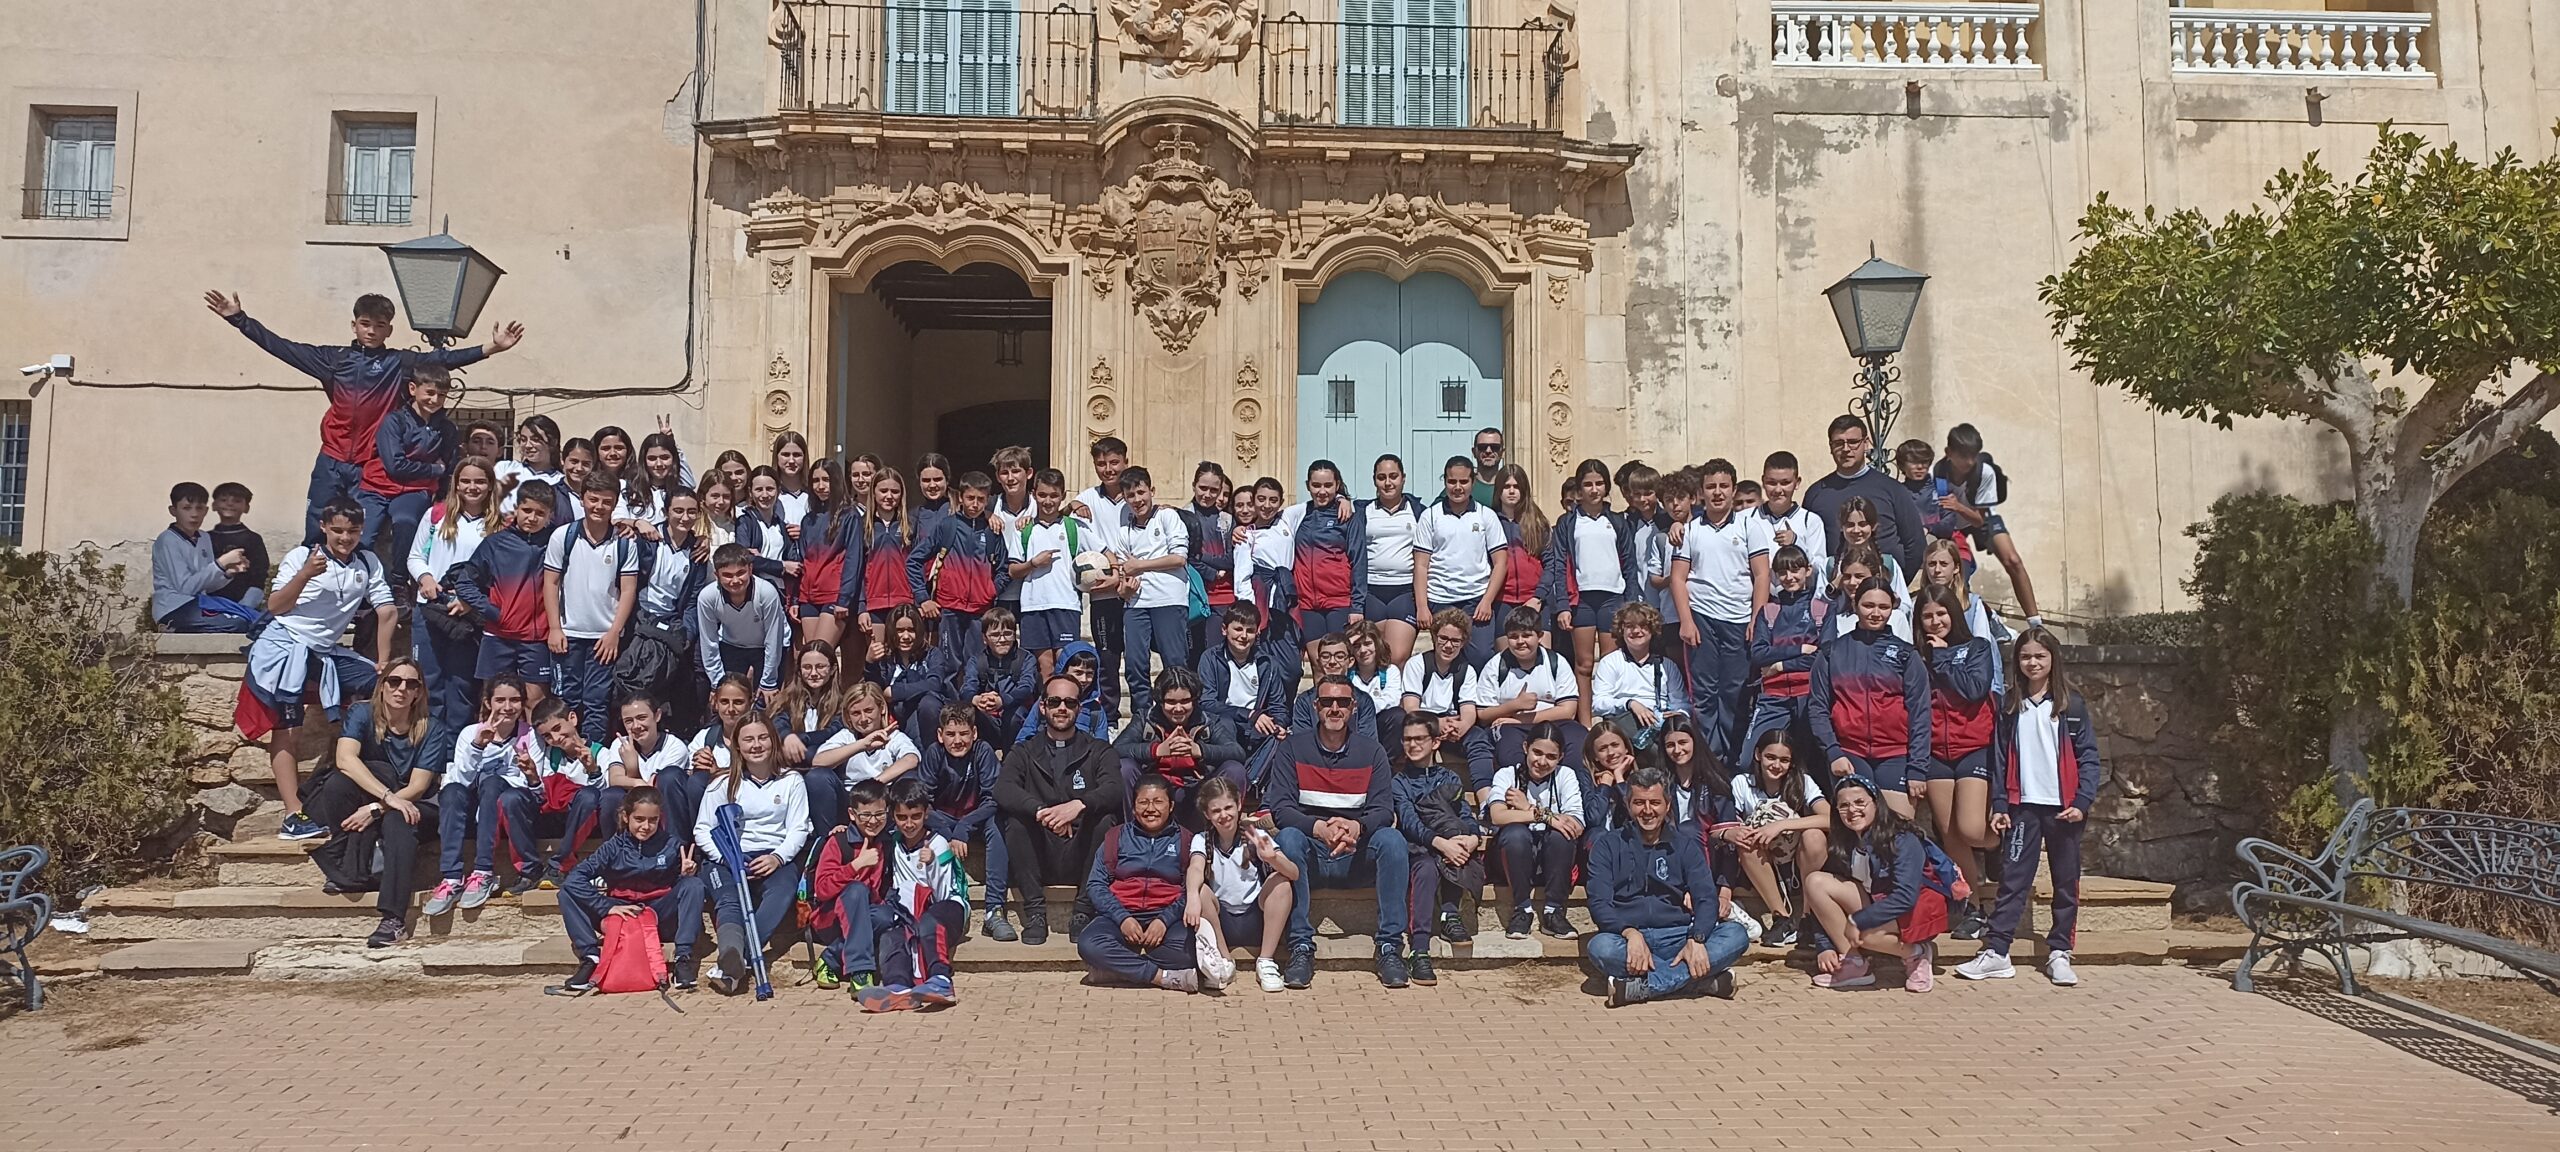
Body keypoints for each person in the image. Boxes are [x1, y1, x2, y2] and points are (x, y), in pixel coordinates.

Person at [203, 289, 522, 544]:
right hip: (332, 459)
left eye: (380, 325)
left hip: (370, 463)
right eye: (366, 324)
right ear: (354, 325)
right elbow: (282, 347)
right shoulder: (332, 359)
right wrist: (239, 319)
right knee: (318, 527)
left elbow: (441, 359)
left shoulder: (399, 363)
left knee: (361, 533)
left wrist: (490, 347)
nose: (372, 331)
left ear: (389, 329)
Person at [237, 499, 397, 841]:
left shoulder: (367, 562)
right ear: (324, 527)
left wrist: (384, 660)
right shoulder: (302, 556)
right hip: (285, 647)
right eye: (338, 530)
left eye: (352, 531)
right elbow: (277, 605)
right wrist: (306, 574)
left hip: (324, 652)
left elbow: (387, 611)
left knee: (384, 687)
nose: (345, 538)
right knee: (288, 728)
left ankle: (367, 776)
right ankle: (293, 813)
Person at [1958, 629, 2102, 986]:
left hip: (2064, 810)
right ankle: (1997, 952)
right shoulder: (2009, 707)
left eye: (2040, 656)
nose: (2033, 663)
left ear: (2053, 658)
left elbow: (2089, 758)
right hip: (2022, 808)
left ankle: (2059, 953)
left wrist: (2082, 802)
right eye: (2025, 657)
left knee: (2066, 881)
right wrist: (2000, 804)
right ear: (2017, 662)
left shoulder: (2072, 705)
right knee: (2013, 879)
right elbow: (1998, 761)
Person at [1266, 677, 1410, 989]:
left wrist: (1358, 827)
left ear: (1353, 708)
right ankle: (1301, 947)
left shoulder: (1372, 752)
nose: (1335, 708)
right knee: (1288, 837)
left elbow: (1384, 809)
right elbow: (1281, 807)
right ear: (1315, 706)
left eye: (1343, 702)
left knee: (1393, 841)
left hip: (1355, 853)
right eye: (1328, 702)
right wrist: (1317, 828)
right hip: (1310, 855)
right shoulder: (1292, 748)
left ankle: (1389, 947)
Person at [1584, 765, 1748, 1006]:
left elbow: (1706, 898)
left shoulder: (1684, 846)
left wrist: (1697, 938)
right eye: (1639, 803)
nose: (1647, 810)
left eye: (1655, 803)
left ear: (1667, 805)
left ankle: (1643, 986)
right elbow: (1599, 903)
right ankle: (1699, 982)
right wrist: (1630, 933)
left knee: (1736, 935)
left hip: (1679, 934)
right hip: (1629, 938)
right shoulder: (1608, 845)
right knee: (1600, 947)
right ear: (1628, 805)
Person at [303, 659, 438, 948]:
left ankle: (393, 918)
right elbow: (345, 759)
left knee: (398, 820)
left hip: (417, 806)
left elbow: (417, 787)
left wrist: (377, 809)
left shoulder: (431, 727)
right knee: (338, 783)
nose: (402, 689)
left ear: (418, 692)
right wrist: (385, 798)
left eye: (411, 684)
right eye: (395, 681)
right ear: (382, 685)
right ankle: (352, 866)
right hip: (381, 798)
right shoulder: (361, 713)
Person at [994, 674, 1124, 945]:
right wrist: (1042, 812)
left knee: (1106, 820)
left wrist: (1078, 806)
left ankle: (1083, 911)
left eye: (1069, 702)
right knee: (1016, 823)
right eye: (1054, 702)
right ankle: (1035, 913)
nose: (1061, 708)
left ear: (1079, 708)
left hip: (1082, 851)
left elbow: (1114, 788)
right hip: (1040, 852)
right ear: (1042, 707)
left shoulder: (1099, 750)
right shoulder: (1023, 751)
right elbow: (1003, 789)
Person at [1806, 775, 1958, 993]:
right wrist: (1824, 945)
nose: (1852, 811)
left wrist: (1859, 920)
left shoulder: (1903, 838)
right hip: (1880, 904)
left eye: (1860, 803)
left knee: (1866, 934)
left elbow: (1906, 896)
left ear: (1876, 803)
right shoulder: (1844, 842)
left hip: (1919, 907)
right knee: (1815, 881)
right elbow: (1821, 905)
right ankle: (1854, 964)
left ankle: (1916, 953)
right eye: (1844, 805)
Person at [696, 713, 812, 996]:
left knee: (783, 891)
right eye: (748, 739)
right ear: (738, 746)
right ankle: (733, 954)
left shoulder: (791, 781)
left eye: (762, 738)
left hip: (774, 856)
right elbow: (702, 829)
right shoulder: (723, 784)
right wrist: (726, 859)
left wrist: (778, 858)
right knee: (728, 898)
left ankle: (735, 960)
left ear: (773, 741)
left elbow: (799, 829)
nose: (756, 745)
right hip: (730, 857)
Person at [553, 785, 705, 994]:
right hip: (620, 914)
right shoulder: (612, 847)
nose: (646, 826)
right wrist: (606, 907)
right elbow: (574, 879)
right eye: (639, 819)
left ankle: (683, 958)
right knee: (566, 893)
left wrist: (686, 875)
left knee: (693, 885)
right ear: (626, 817)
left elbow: (680, 888)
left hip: (658, 915)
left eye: (653, 820)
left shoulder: (672, 845)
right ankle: (589, 957)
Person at [1670, 458, 1772, 760]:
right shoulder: (1689, 531)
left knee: (1735, 693)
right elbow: (1678, 577)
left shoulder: (1750, 526)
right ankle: (1709, 761)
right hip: (1702, 619)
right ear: (1701, 492)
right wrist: (1686, 621)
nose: (1717, 493)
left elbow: (1762, 575)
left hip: (1740, 620)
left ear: (1733, 489)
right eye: (1711, 487)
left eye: (1723, 486)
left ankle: (1734, 761)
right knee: (1704, 695)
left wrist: (1758, 619)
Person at [1809, 576, 1929, 820]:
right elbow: (1818, 708)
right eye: (1868, 606)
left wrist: (1917, 767)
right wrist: (1833, 751)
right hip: (1849, 753)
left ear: (1893, 607)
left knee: (1898, 832)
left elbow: (1921, 714)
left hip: (1896, 755)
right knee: (1858, 830)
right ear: (1855, 606)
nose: (1876, 613)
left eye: (1883, 607)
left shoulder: (1907, 655)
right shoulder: (1832, 652)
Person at [1916, 585, 1999, 937]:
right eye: (1928, 616)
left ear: (1954, 613)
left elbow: (1974, 690)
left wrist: (1943, 657)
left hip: (1973, 747)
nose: (1935, 622)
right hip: (1936, 753)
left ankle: (1999, 844)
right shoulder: (1917, 656)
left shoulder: (1976, 648)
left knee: (1969, 828)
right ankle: (1975, 908)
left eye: (1941, 613)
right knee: (1951, 838)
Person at [854, 776, 969, 1011]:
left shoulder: (938, 844)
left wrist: (932, 864)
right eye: (902, 818)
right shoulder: (894, 842)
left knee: (930, 920)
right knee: (892, 935)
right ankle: (897, 987)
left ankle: (941, 980)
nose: (909, 824)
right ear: (893, 816)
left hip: (948, 909)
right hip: (909, 911)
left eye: (915, 816)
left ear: (926, 813)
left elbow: (943, 893)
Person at [408, 458, 495, 767]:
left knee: (460, 690)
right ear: (456, 483)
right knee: (429, 687)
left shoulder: (496, 524)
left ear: (489, 485)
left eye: (480, 482)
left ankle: (452, 763)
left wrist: (472, 601)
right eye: (466, 481)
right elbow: (416, 555)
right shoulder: (436, 515)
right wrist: (426, 578)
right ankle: (424, 761)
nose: (473, 487)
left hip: (467, 616)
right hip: (431, 610)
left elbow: (497, 574)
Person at [1077, 774, 1198, 993]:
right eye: (1143, 802)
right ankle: (1160, 977)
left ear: (1171, 806)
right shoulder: (1115, 838)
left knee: (1191, 950)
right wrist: (1122, 918)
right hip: (1119, 916)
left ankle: (1119, 969)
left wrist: (1164, 919)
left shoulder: (1186, 841)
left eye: (1158, 802)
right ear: (1133, 807)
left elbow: (1193, 889)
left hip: (1167, 919)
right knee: (1089, 944)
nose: (1150, 808)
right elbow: (1095, 884)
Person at [544, 476, 640, 744]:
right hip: (568, 635)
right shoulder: (563, 536)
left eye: (606, 501)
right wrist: (554, 627)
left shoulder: (624, 542)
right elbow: (550, 583)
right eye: (593, 499)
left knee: (597, 703)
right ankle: (564, 757)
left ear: (615, 504)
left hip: (603, 638)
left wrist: (614, 633)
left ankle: (593, 758)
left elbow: (628, 590)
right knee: (565, 701)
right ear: (583, 499)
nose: (599, 506)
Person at [422, 675, 528, 916]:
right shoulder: (470, 733)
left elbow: (529, 783)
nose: (507, 707)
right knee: (450, 792)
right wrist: (478, 746)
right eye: (500, 700)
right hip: (469, 809)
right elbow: (459, 779)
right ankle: (451, 878)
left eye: (515, 700)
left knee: (491, 783)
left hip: (501, 807)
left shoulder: (528, 735)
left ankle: (483, 872)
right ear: (488, 702)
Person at [451, 481, 558, 709]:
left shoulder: (556, 542)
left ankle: (531, 746)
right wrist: (491, 610)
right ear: (516, 509)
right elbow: (465, 582)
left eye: (540, 513)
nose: (532, 518)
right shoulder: (495, 543)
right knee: (492, 701)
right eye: (527, 510)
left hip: (536, 638)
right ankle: (486, 744)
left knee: (535, 701)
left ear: (550, 515)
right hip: (498, 635)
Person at [1186, 775, 1296, 993]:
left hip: (1256, 917)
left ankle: (1265, 961)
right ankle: (1224, 960)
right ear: (1207, 814)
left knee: (1281, 882)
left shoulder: (1256, 835)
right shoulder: (1202, 839)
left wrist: (1272, 858)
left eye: (1228, 807)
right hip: (1221, 922)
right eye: (1216, 811)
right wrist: (1192, 897)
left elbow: (1294, 872)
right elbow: (1196, 868)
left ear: (1238, 805)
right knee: (1200, 889)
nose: (1224, 815)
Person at [1391, 712, 1485, 959]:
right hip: (1417, 849)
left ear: (1435, 742)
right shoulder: (1399, 782)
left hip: (1448, 845)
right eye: (1407, 739)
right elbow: (1409, 822)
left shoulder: (1449, 778)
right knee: (1427, 867)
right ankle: (1419, 949)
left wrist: (1473, 838)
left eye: (1419, 738)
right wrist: (1443, 844)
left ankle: (1450, 914)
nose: (1412, 744)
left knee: (1459, 839)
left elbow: (1464, 814)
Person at [1102, 467, 1193, 722]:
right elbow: (1122, 577)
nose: (1137, 499)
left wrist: (1140, 565)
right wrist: (1124, 589)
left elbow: (1178, 558)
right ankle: (1142, 717)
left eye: (1141, 492)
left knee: (1175, 662)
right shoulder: (1124, 532)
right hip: (1136, 604)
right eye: (1131, 495)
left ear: (1151, 491)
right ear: (1124, 498)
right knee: (1134, 664)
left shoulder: (1167, 518)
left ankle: (1180, 716)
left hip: (1169, 600)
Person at [1485, 721, 1588, 940]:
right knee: (1515, 834)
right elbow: (1498, 815)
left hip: (1551, 859)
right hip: (1513, 858)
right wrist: (1544, 816)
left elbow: (1575, 824)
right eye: (1537, 753)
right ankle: (1522, 908)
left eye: (1551, 756)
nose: (1541, 762)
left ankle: (1554, 911)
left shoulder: (1565, 776)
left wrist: (1526, 808)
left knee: (1563, 835)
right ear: (1525, 748)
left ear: (1560, 757)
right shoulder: (1507, 775)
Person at [492, 697, 608, 893]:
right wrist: (533, 777)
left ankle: (560, 866)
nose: (555, 738)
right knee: (510, 798)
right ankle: (529, 870)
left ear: (572, 718)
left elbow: (606, 798)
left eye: (557, 728)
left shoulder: (602, 752)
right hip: (551, 816)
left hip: (581, 819)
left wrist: (592, 770)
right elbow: (542, 796)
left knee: (589, 796)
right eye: (546, 736)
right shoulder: (548, 755)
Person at [1541, 458, 1636, 693]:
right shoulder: (1568, 523)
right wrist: (1562, 605)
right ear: (1580, 489)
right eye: (1588, 484)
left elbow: (1629, 565)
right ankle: (1584, 724)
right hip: (1581, 600)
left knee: (1610, 664)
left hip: (1612, 598)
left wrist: (1631, 604)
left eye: (1599, 484)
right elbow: (1560, 565)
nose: (1594, 490)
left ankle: (1608, 723)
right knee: (1583, 665)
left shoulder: (1617, 522)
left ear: (1606, 488)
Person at [1729, 728, 1830, 947]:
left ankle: (1806, 917)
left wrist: (1782, 825)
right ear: (1757, 755)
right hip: (1760, 859)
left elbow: (1830, 818)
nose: (1776, 765)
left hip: (1796, 860)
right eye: (1770, 757)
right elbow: (1731, 824)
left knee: (1815, 836)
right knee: (1745, 840)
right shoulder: (1741, 783)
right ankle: (1781, 918)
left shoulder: (1803, 781)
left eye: (1784, 760)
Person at [919, 703, 1011, 941]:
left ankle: (994, 910)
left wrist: (964, 827)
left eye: (964, 733)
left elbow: (993, 799)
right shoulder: (933, 754)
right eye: (950, 734)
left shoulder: (983, 751)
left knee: (997, 826)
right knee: (921, 833)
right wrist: (948, 832)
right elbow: (922, 804)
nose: (957, 740)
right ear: (940, 735)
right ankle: (940, 904)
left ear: (975, 733)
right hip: (942, 821)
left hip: (976, 818)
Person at [1936, 422, 2043, 626]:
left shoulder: (1984, 473)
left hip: (1978, 517)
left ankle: (2035, 622)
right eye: (1963, 456)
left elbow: (1979, 520)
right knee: (1949, 573)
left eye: (1973, 455)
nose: (1969, 461)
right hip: (1951, 524)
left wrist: (1958, 507)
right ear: (1949, 453)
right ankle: (1984, 617)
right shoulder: (1938, 474)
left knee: (2013, 560)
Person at [1112, 668, 1247, 825]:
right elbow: (1117, 748)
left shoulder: (1209, 721)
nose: (1178, 708)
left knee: (1234, 769)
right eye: (1170, 702)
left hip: (1196, 790)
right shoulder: (1145, 719)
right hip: (1154, 789)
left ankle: (1223, 833)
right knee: (1125, 767)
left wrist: (1200, 750)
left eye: (1185, 701)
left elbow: (1237, 752)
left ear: (1194, 700)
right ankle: (1133, 832)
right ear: (1160, 700)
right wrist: (1156, 750)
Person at [358, 366, 457, 577]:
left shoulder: (446, 428)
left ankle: (399, 580)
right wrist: (432, 469)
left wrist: (439, 476)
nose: (435, 400)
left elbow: (448, 466)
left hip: (414, 490)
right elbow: (395, 465)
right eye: (429, 393)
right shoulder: (394, 421)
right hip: (377, 488)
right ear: (413, 389)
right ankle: (358, 581)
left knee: (406, 523)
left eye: (441, 395)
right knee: (363, 537)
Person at [1413, 455, 1510, 667]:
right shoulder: (1430, 516)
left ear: (1472, 482)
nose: (1457, 487)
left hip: (1476, 600)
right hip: (1441, 599)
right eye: (1452, 481)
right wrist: (1422, 606)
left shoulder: (1487, 516)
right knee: (1446, 657)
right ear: (1445, 482)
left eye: (1463, 481)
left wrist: (1487, 601)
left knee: (1482, 656)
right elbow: (1421, 564)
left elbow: (1501, 562)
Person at [1803, 414, 1927, 577]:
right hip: (1834, 594)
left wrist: (1895, 584)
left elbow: (1915, 545)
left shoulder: (1893, 489)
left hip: (1883, 592)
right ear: (1831, 447)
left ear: (1866, 443)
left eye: (1853, 442)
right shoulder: (1816, 494)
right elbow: (1806, 547)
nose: (1846, 449)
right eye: (1839, 443)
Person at [807, 778, 894, 994]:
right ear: (852, 814)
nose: (873, 821)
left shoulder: (887, 843)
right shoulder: (838, 842)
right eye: (865, 815)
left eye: (879, 814)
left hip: (865, 915)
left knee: (887, 916)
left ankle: (830, 959)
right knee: (856, 890)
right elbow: (823, 889)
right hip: (831, 919)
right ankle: (861, 973)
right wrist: (855, 866)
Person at [1475, 607, 1586, 769]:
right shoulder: (1496, 665)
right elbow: (1483, 714)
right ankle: (1523, 789)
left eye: (1527, 635)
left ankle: (1575, 790)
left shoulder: (1556, 662)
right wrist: (1515, 705)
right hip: (1510, 727)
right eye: (1513, 637)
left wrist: (1521, 718)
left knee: (1578, 739)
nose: (1520, 641)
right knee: (1509, 752)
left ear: (1539, 636)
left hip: (1552, 722)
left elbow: (1568, 710)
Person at [1400, 608, 1495, 796]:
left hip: (1452, 725)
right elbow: (1411, 707)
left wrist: (1461, 727)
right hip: (1423, 722)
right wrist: (1436, 724)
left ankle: (1486, 798)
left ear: (1463, 643)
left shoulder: (1466, 670)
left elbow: (1469, 711)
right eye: (1443, 638)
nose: (1448, 645)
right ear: (1435, 637)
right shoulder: (1417, 664)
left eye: (1455, 641)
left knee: (1478, 738)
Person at [1744, 544, 1828, 758]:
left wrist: (1781, 665)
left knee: (1815, 761)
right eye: (1782, 572)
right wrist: (1800, 649)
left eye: (1795, 570)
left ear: (1808, 570)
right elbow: (1759, 655)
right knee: (1749, 759)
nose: (1789, 577)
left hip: (1811, 697)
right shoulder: (1769, 611)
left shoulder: (1822, 609)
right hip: (1772, 698)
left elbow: (1823, 658)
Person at [909, 471, 1004, 660]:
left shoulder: (992, 530)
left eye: (980, 499)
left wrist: (992, 590)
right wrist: (922, 597)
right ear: (960, 497)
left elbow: (1003, 567)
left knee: (975, 663)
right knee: (948, 663)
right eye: (970, 498)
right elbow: (913, 560)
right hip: (949, 608)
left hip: (979, 611)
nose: (975, 504)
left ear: (987, 501)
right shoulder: (948, 526)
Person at [1072, 437, 1130, 722]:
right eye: (1101, 464)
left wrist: (1122, 571)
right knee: (1107, 657)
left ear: (1125, 462)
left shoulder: (1135, 496)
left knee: (1135, 656)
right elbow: (1076, 528)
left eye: (1114, 462)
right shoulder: (1086, 499)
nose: (1108, 469)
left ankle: (1144, 712)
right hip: (1103, 591)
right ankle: (1110, 714)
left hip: (1133, 590)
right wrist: (1071, 503)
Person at [1284, 460, 1364, 669]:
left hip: (1339, 602)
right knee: (1319, 666)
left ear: (1337, 485)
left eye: (1328, 485)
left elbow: (1359, 562)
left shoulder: (1347, 516)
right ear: (1307, 485)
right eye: (1316, 485)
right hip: (1308, 604)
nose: (1322, 491)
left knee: (1340, 665)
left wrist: (1357, 605)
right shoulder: (1298, 515)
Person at [1008, 467, 1084, 685]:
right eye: (1042, 495)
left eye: (1053, 495)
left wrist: (1112, 574)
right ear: (1033, 494)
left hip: (1066, 604)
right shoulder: (1024, 529)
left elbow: (1105, 554)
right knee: (1045, 667)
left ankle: (1067, 711)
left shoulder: (1074, 527)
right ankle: (1046, 714)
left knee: (1066, 663)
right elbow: (1013, 570)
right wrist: (1033, 563)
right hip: (1033, 606)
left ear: (1062, 496)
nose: (1048, 501)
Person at [153, 481, 253, 632]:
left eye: (199, 508)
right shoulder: (168, 540)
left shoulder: (204, 538)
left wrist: (227, 573)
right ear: (173, 511)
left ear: (206, 511)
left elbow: (205, 584)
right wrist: (220, 563)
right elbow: (186, 588)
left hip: (200, 602)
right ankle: (172, 627)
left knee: (251, 618)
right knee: (237, 624)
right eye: (186, 508)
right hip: (175, 608)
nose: (194, 514)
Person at [596, 692, 689, 852]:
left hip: (661, 808)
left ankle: (675, 850)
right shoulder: (621, 743)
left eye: (641, 718)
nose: (636, 726)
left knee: (669, 776)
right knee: (611, 796)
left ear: (657, 715)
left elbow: (653, 792)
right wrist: (637, 781)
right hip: (634, 808)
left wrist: (631, 769)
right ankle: (614, 855)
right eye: (628, 721)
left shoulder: (675, 746)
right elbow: (615, 778)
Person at [693, 543, 789, 700]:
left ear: (750, 570)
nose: (735, 580)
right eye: (728, 575)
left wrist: (768, 682)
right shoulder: (707, 597)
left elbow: (773, 639)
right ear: (716, 575)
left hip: (767, 647)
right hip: (732, 644)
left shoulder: (766, 593)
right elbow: (709, 641)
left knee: (765, 703)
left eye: (741, 573)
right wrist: (718, 683)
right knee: (730, 700)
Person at [1357, 454, 1425, 668]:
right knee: (1372, 660)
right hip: (1372, 593)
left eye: (1393, 476)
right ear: (1374, 480)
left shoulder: (1419, 512)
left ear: (1403, 478)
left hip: (1403, 593)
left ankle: (1399, 702)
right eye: (1381, 477)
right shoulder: (1362, 512)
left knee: (1396, 658)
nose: (1388, 482)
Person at [1590, 602, 1689, 746]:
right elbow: (1598, 703)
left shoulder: (1666, 665)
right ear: (1621, 630)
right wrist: (1630, 703)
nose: (1636, 631)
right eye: (1630, 626)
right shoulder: (1610, 662)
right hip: (1625, 720)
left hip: (1660, 723)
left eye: (1642, 626)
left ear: (1652, 630)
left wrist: (1678, 713)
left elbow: (1682, 703)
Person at [1197, 602, 1286, 760]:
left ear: (1258, 632)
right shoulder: (1210, 658)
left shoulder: (1268, 663)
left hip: (1256, 725)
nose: (1243, 636)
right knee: (1226, 725)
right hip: (1223, 723)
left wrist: (1279, 724)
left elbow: (1278, 705)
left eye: (1250, 631)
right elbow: (1206, 702)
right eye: (1238, 629)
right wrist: (1248, 714)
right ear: (1224, 630)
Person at [793, 458, 864, 654]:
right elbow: (803, 560)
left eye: (826, 480)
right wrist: (796, 601)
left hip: (834, 595)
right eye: (816, 480)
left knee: (821, 655)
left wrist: (844, 599)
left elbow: (853, 560)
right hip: (808, 596)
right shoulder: (808, 519)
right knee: (809, 657)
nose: (821, 486)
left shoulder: (849, 516)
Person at [858, 467, 920, 661]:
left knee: (903, 659)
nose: (889, 496)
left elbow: (917, 565)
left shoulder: (910, 524)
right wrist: (861, 608)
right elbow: (856, 569)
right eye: (883, 491)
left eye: (894, 491)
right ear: (873, 492)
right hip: (873, 604)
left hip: (904, 602)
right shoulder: (862, 525)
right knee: (877, 657)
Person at [871, 605, 958, 741]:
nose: (905, 636)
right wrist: (869, 662)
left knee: (928, 703)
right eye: (899, 630)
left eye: (911, 630)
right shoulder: (885, 658)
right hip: (892, 719)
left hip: (925, 719)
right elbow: (873, 689)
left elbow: (935, 684)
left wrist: (896, 692)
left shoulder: (932, 654)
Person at [1183, 462, 1237, 663]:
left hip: (1223, 598)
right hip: (1194, 596)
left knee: (1217, 655)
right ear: (1194, 485)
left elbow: (1231, 559)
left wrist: (1202, 558)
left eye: (1214, 490)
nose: (1207, 494)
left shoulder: (1227, 520)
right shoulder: (1181, 516)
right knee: (1193, 656)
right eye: (1202, 488)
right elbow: (1184, 557)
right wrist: (1211, 572)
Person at [1489, 463, 1549, 629]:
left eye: (1516, 486)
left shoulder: (1538, 522)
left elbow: (1550, 563)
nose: (1512, 491)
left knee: (1541, 652)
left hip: (1534, 599)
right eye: (1506, 486)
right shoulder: (1489, 521)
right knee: (1505, 652)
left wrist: (1539, 596)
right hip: (1501, 601)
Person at [1754, 451, 1827, 580]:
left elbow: (1819, 569)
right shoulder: (1747, 519)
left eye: (1785, 483)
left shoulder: (1810, 521)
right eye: (1771, 483)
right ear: (1763, 482)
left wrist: (1796, 542)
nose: (1777, 490)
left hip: (1798, 597)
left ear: (1797, 483)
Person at [208, 482, 272, 608]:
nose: (230, 504)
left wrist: (246, 605)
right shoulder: (205, 538)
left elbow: (259, 575)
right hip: (209, 600)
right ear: (214, 505)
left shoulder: (253, 539)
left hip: (244, 600)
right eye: (224, 500)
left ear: (246, 507)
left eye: (237, 501)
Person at [1345, 621, 1405, 744]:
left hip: (1379, 721)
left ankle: (1386, 761)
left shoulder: (1390, 671)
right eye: (1356, 646)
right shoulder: (1346, 673)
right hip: (1353, 723)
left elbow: (1392, 699)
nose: (1363, 650)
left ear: (1377, 644)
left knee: (1398, 715)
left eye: (1367, 644)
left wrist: (1364, 707)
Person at [495, 416, 564, 518]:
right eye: (523, 439)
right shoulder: (505, 468)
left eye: (535, 439)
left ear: (553, 442)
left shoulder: (560, 482)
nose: (527, 445)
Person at [1468, 427, 1505, 507]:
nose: (1488, 451)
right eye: (1482, 447)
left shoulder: (1510, 486)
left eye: (1495, 447)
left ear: (1502, 453)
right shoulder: (1464, 485)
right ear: (1474, 452)